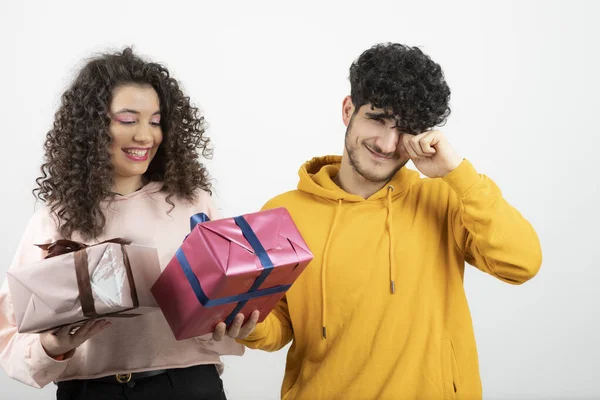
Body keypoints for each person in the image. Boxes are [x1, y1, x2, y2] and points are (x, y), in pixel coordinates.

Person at [213, 43, 543, 399]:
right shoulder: (283, 213)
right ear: (348, 109)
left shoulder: (445, 198)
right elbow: (281, 326)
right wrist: (248, 326)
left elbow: (521, 264)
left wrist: (457, 174)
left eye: (404, 130)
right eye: (378, 119)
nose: (388, 144)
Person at [0, 47, 242, 400]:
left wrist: (232, 320)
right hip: (91, 393)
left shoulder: (194, 204)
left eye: (155, 121)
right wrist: (51, 346)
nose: (146, 136)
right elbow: (10, 336)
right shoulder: (55, 218)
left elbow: (228, 303)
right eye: (128, 120)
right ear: (93, 127)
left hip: (186, 386)